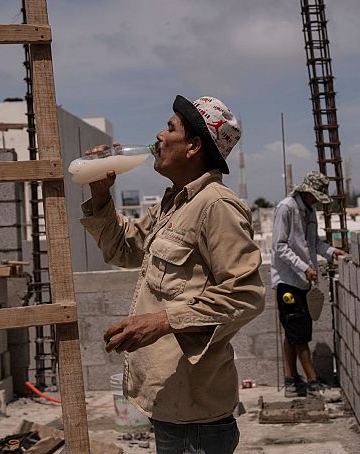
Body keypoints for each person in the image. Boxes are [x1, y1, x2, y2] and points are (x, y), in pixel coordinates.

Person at [79, 95, 265, 454]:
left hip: (197, 421)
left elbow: (246, 295)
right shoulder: (175, 202)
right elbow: (124, 249)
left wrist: (164, 321)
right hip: (174, 405)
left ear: (194, 146)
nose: (158, 136)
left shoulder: (216, 206)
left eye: (170, 128)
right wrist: (100, 193)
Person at [271, 171, 346, 398]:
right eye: (315, 196)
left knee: (292, 332)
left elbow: (313, 244)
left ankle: (292, 380)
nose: (316, 201)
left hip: (303, 281)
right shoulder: (286, 208)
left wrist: (333, 252)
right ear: (306, 192)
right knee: (299, 333)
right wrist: (304, 268)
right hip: (288, 281)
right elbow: (280, 246)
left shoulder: (309, 211)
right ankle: (312, 381)